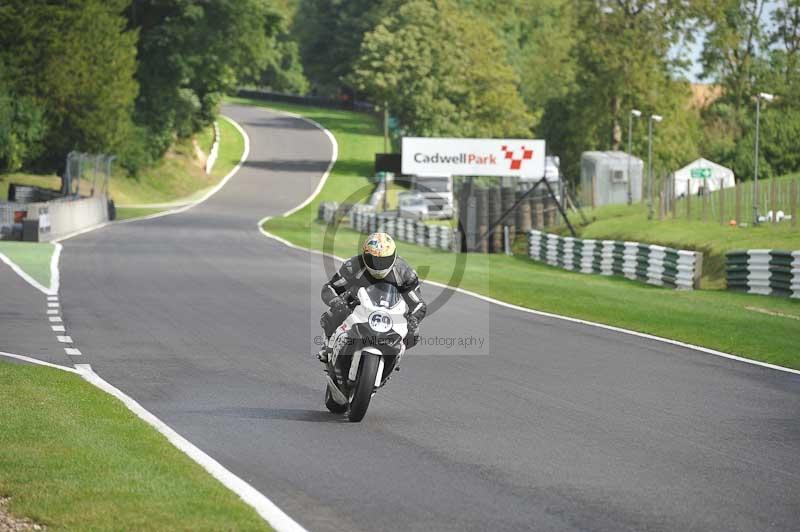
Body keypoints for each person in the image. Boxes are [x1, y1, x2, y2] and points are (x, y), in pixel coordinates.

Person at [318, 232, 426, 362]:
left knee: (414, 333)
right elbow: (329, 288)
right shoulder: (353, 266)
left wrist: (413, 319)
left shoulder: (405, 273)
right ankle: (328, 347)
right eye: (373, 260)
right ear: (364, 256)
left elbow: (418, 304)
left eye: (383, 260)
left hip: (389, 312)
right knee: (334, 312)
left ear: (393, 256)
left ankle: (394, 357)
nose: (378, 265)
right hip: (355, 306)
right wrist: (336, 302)